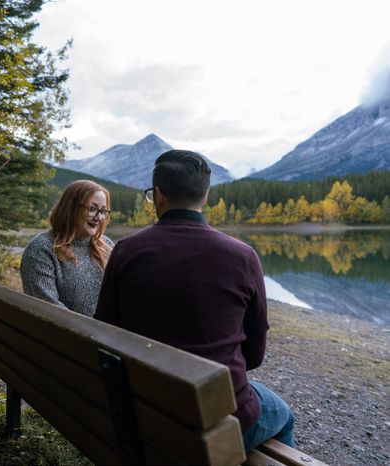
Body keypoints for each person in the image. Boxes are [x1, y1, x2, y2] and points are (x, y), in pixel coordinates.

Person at [94, 150, 295, 451]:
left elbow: (105, 332)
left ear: (158, 196)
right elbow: (254, 356)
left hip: (144, 406)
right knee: (284, 415)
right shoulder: (243, 256)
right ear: (206, 196)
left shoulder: (125, 251)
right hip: (222, 414)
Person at [20, 180, 114, 317]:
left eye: (103, 211)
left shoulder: (107, 245)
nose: (99, 217)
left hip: (110, 334)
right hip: (67, 336)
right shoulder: (41, 249)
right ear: (71, 208)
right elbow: (49, 311)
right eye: (92, 209)